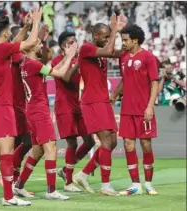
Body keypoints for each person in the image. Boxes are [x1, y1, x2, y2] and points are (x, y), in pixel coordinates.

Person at [0, 8, 43, 206]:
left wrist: (27, 26)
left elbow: (14, 44)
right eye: (8, 31)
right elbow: (27, 43)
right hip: (2, 106)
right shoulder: (2, 49)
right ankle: (8, 197)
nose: (11, 33)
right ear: (4, 32)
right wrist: (36, 22)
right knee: (6, 151)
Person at [13, 38, 78, 200]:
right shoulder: (34, 64)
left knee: (38, 150)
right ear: (31, 46)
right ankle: (51, 190)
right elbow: (61, 73)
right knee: (51, 147)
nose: (42, 46)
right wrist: (69, 56)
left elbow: (53, 69)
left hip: (32, 109)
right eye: (39, 44)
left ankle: (19, 185)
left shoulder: (27, 64)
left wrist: (66, 57)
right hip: (39, 110)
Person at [73, 13, 126, 196]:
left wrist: (132, 44)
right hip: (92, 101)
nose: (106, 40)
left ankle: (83, 174)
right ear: (95, 36)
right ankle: (105, 185)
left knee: (112, 142)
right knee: (104, 141)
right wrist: (114, 32)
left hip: (103, 100)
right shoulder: (86, 48)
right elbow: (110, 50)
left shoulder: (102, 51)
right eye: (104, 37)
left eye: (107, 37)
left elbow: (118, 52)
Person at [110, 24, 159, 196]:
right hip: (126, 110)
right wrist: (114, 94)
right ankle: (135, 184)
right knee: (128, 145)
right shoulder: (122, 57)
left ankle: (149, 183)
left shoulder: (148, 58)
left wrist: (150, 107)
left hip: (143, 109)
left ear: (135, 40)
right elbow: (124, 80)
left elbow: (154, 82)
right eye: (121, 39)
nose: (122, 43)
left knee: (146, 145)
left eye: (125, 40)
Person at [51, 31, 95, 193]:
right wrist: (78, 63)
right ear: (64, 45)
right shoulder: (57, 61)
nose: (76, 44)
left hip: (78, 106)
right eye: (72, 42)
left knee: (90, 141)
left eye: (76, 41)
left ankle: (64, 171)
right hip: (64, 106)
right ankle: (68, 182)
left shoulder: (78, 60)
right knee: (72, 143)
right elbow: (67, 78)